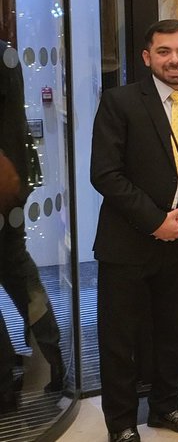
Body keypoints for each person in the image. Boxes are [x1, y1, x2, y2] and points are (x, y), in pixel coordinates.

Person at [90, 20, 178, 442]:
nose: (175, 60)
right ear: (147, 58)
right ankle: (122, 422)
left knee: (173, 329)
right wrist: (155, 221)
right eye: (164, 51)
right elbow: (105, 174)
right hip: (126, 241)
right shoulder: (119, 102)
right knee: (120, 337)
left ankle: (167, 406)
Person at [0, 37, 63, 415]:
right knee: (21, 274)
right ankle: (52, 362)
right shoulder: (5, 50)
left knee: (21, 275)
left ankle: (8, 380)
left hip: (5, 186)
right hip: (10, 187)